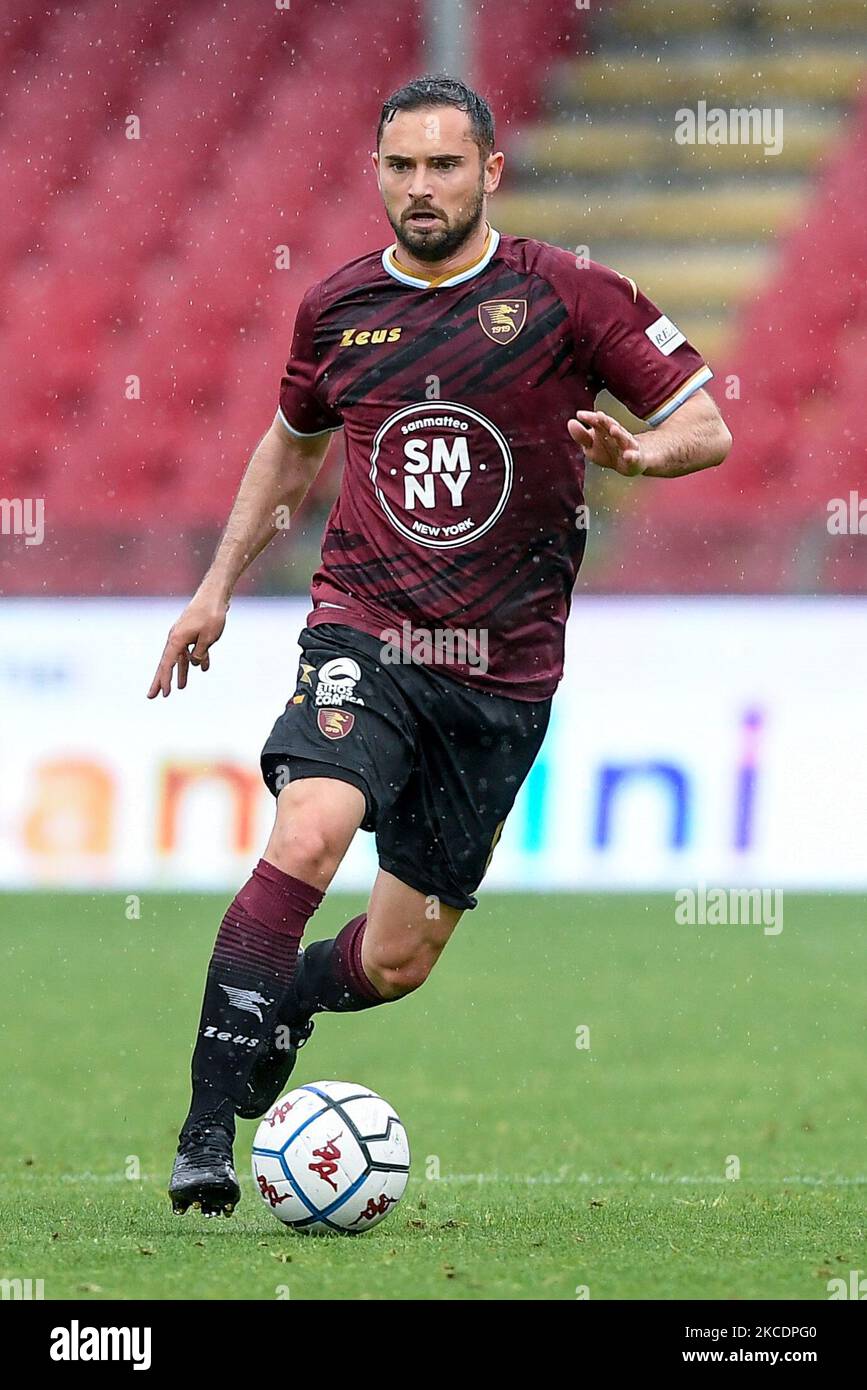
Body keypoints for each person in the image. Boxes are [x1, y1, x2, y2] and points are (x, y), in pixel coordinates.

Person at [148, 74, 732, 1216]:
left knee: (400, 958)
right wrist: (215, 588)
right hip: (365, 629)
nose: (422, 188)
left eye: (445, 166)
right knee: (310, 831)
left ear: (490, 173)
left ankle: (290, 1001)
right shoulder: (338, 308)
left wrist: (641, 458)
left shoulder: (569, 294)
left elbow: (705, 425)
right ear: (377, 172)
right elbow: (289, 449)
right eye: (402, 166)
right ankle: (206, 1129)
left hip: (502, 670)